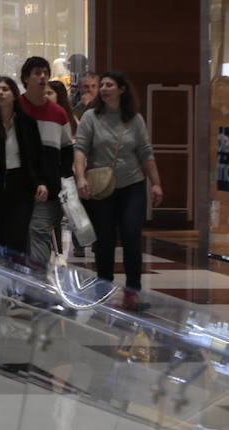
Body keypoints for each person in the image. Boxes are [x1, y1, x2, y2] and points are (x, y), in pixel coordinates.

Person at [74, 70, 162, 301]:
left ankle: (132, 291)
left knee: (132, 235)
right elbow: (81, 149)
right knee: (104, 239)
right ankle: (103, 286)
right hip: (101, 187)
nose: (103, 89)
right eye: (101, 85)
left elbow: (145, 153)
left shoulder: (134, 119)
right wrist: (81, 177)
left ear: (122, 90)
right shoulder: (90, 117)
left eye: (109, 85)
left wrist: (156, 184)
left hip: (132, 185)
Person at [0, 76, 48, 255]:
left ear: (14, 94)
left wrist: (41, 182)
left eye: (5, 89)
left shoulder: (27, 123)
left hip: (20, 187)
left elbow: (37, 156)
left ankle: (15, 281)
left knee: (17, 239)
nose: (0, 93)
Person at [17, 55, 71, 264]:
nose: (42, 77)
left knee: (39, 232)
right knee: (19, 236)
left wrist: (61, 178)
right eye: (37, 73)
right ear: (26, 78)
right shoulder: (15, 109)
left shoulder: (58, 114)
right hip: (18, 187)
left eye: (45, 73)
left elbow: (67, 150)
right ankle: (19, 287)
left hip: (48, 191)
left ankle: (36, 288)